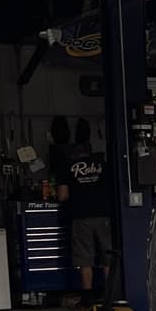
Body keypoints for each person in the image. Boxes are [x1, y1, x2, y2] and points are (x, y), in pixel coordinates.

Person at [56, 117, 113, 298]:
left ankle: (88, 296)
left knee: (85, 258)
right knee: (108, 256)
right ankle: (110, 294)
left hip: (81, 216)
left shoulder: (66, 167)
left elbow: (62, 196)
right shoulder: (101, 164)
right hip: (103, 214)